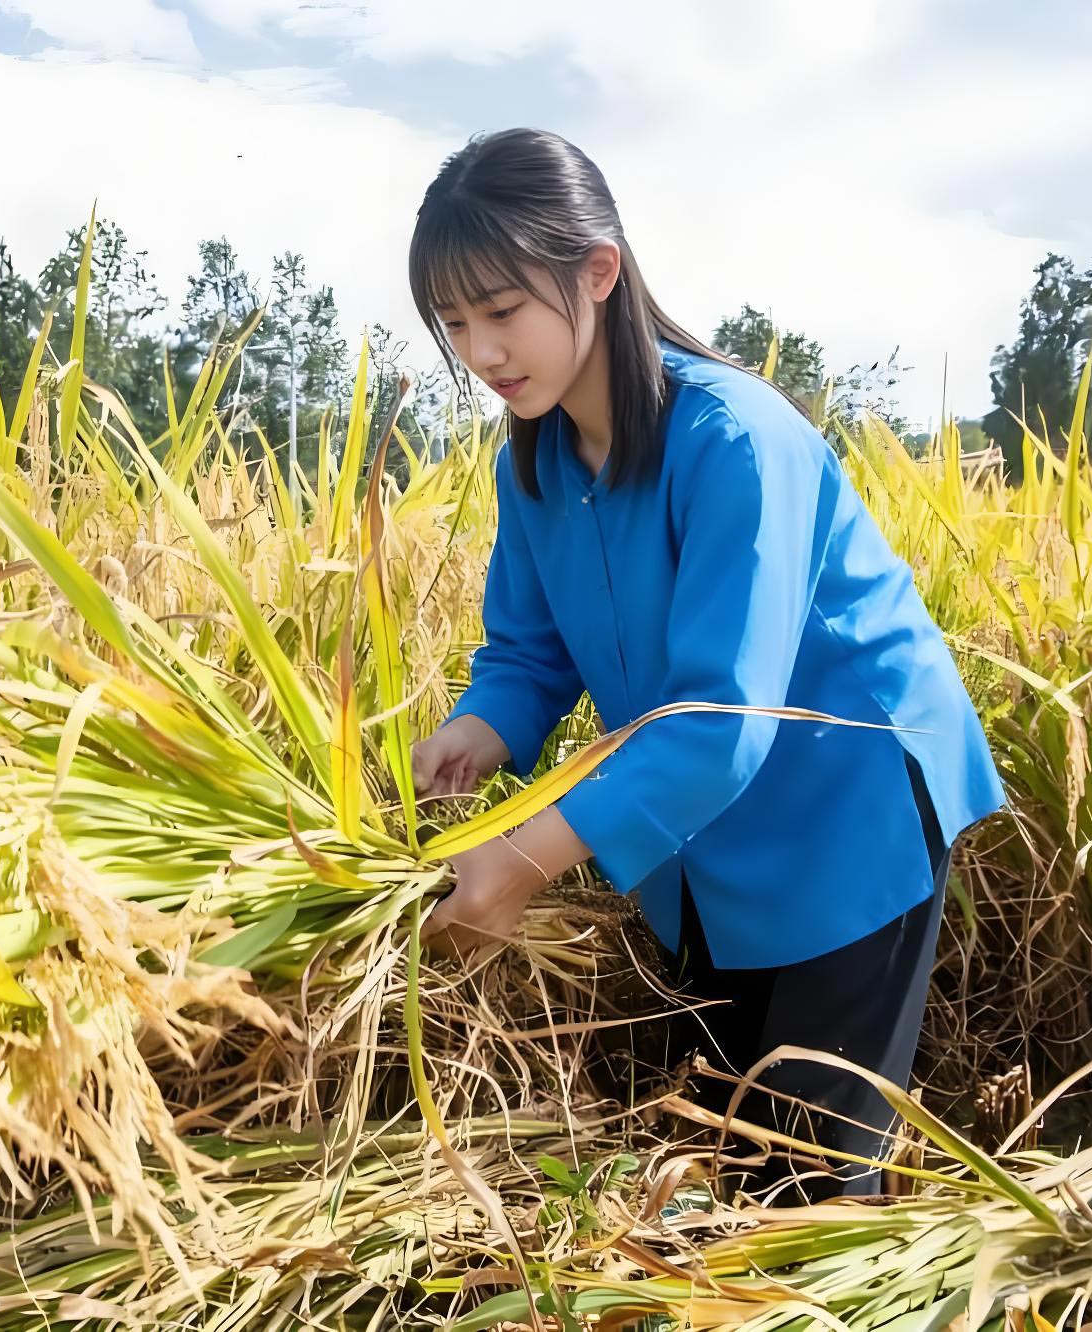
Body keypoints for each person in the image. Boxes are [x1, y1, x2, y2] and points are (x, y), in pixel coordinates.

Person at [405, 128, 1006, 1197]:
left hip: (846, 805)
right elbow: (529, 653)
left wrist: (524, 859)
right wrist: (478, 729)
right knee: (728, 1133)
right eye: (455, 325)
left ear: (596, 272)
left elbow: (722, 718)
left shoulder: (733, 439)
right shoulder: (536, 463)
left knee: (814, 1175)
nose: (483, 352)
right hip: (700, 816)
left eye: (501, 311)